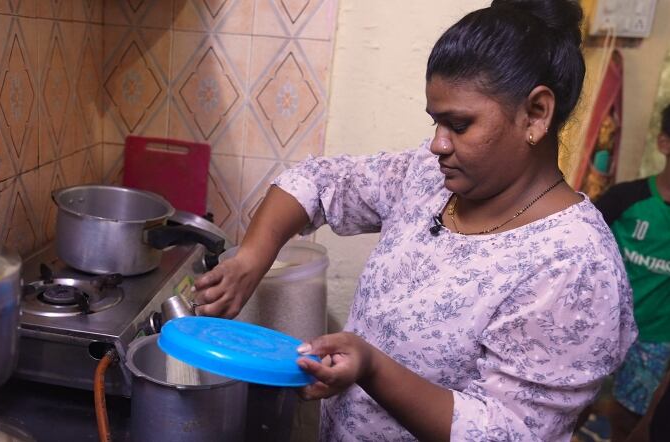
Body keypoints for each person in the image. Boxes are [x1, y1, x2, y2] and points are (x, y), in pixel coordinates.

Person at [194, 1, 637, 440]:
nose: (437, 145)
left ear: (536, 113)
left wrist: (372, 368)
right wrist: (252, 257)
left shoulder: (574, 265)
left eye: (459, 125)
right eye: (436, 123)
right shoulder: (432, 181)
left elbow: (508, 432)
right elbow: (319, 181)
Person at [595, 103, 670, 441]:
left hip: (653, 343)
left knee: (628, 423)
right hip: (601, 328)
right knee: (577, 404)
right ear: (664, 144)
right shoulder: (626, 199)